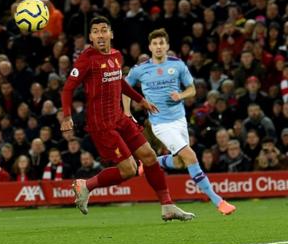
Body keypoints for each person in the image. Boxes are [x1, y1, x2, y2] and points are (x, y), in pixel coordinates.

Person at [60, 16, 194, 221]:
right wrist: (67, 116)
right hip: (102, 124)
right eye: (95, 31)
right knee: (129, 170)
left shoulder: (115, 55)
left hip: (119, 118)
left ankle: (167, 206)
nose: (100, 34)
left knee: (149, 156)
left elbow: (120, 83)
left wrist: (141, 100)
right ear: (91, 37)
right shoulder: (87, 59)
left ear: (111, 34)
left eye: (104, 30)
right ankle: (85, 185)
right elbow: (68, 88)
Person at [124, 28, 236, 215]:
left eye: (162, 43)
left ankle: (153, 162)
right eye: (155, 43)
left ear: (167, 46)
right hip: (160, 124)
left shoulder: (178, 65)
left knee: (180, 163)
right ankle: (218, 201)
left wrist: (181, 95)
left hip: (179, 120)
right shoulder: (140, 69)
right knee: (191, 156)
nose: (159, 46)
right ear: (150, 47)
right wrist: (127, 113)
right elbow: (124, 88)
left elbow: (192, 89)